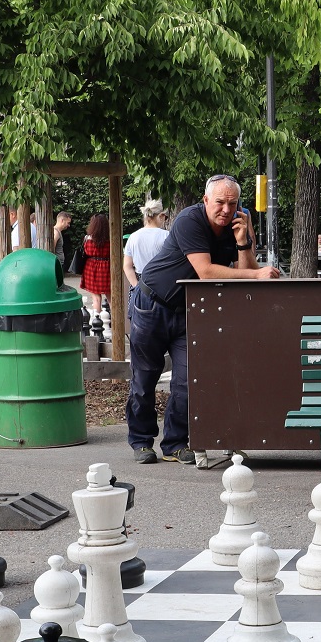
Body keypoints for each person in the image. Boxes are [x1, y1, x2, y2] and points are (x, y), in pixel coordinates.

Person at [126, 174, 281, 464]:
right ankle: (141, 441)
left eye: (232, 203)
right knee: (144, 378)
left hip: (188, 311)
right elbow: (206, 272)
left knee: (187, 382)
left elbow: (245, 271)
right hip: (152, 305)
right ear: (206, 200)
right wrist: (256, 273)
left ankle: (174, 443)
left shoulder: (241, 221)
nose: (226, 209)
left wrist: (243, 243)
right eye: (220, 202)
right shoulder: (189, 220)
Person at [121, 200, 169, 290]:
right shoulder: (167, 236)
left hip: (140, 282)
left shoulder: (133, 237)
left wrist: (136, 286)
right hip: (161, 283)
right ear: (161, 216)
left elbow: (127, 266)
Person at [79, 213, 113, 323]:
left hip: (91, 267)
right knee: (111, 296)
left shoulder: (88, 238)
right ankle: (116, 321)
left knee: (96, 298)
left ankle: (97, 323)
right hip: (108, 267)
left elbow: (85, 252)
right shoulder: (112, 238)